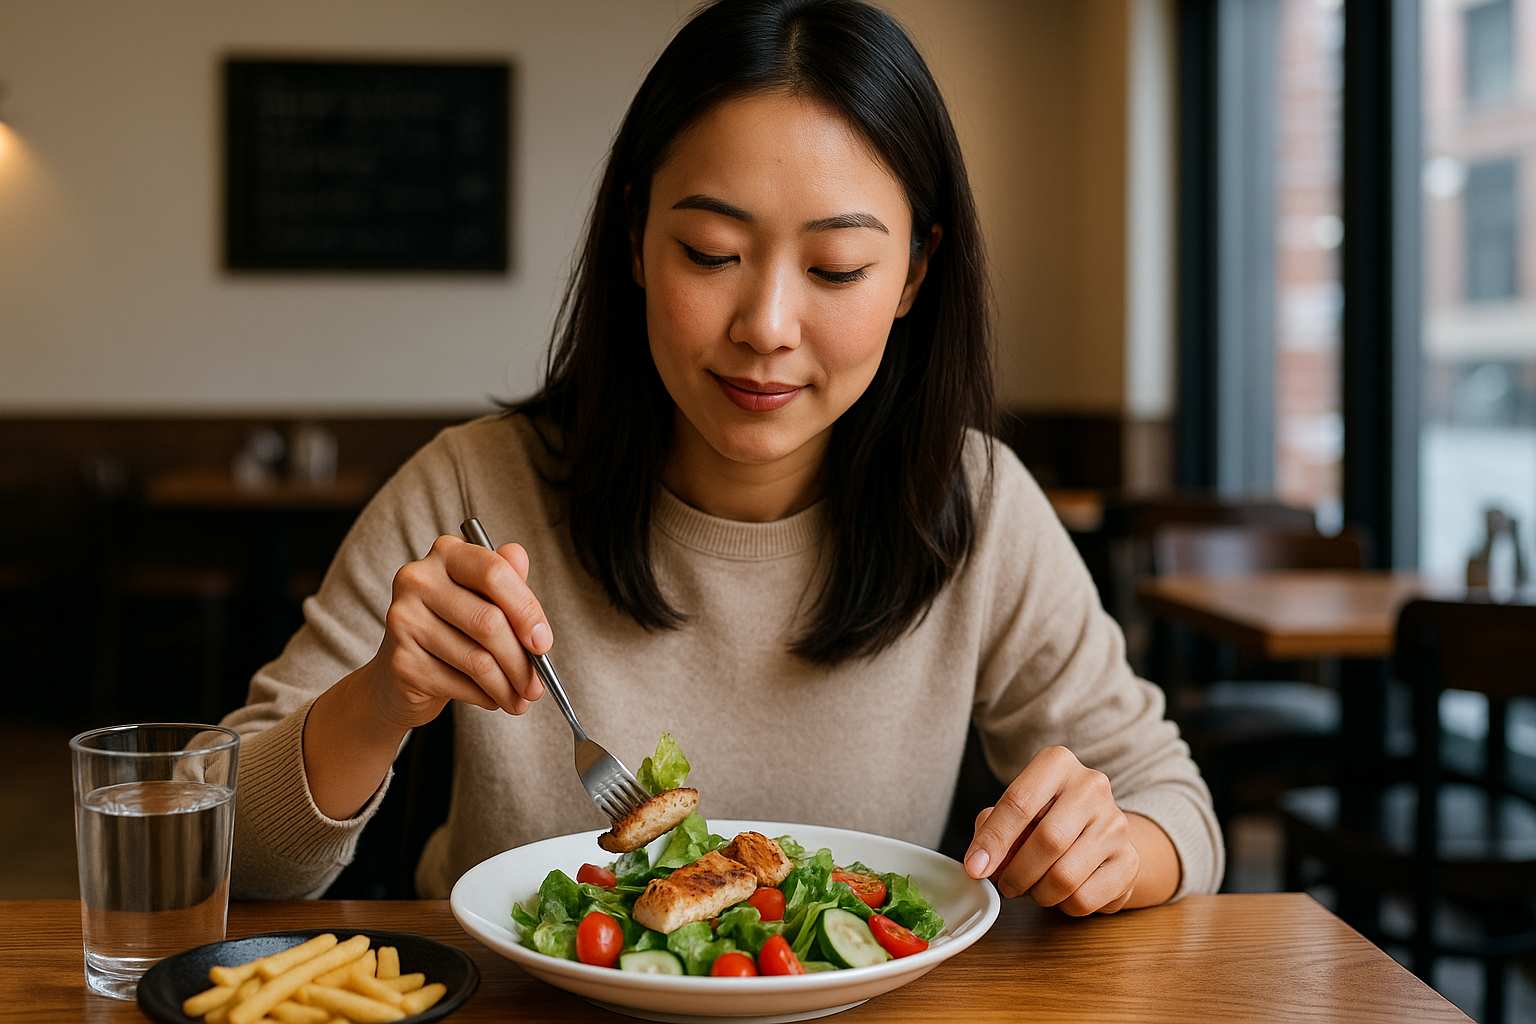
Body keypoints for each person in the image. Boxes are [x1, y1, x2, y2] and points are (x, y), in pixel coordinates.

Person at [224, 0, 1223, 912]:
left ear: (915, 274)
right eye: (711, 253)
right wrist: (380, 701)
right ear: (634, 237)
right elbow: (228, 852)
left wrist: (1110, 847)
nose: (768, 326)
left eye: (837, 268)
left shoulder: (979, 506)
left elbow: (1174, 809)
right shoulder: (471, 490)